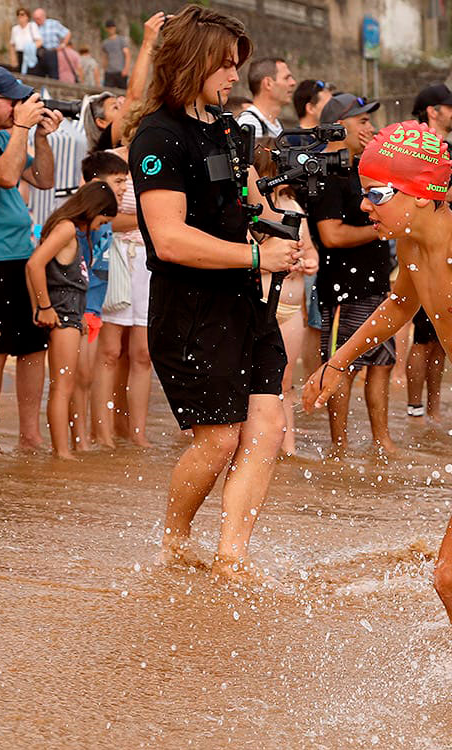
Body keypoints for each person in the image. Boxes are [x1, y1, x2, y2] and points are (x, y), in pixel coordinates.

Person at [128, 4, 303, 582]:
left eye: (236, 66)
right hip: (188, 308)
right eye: (225, 66)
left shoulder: (228, 129)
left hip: (242, 299)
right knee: (218, 440)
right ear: (192, 61)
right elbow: (170, 238)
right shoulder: (158, 134)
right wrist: (258, 254)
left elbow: (241, 206)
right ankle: (174, 544)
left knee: (268, 427)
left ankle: (232, 555)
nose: (234, 77)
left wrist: (270, 220)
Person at [303, 119, 452, 663]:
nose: (365, 206)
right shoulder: (410, 246)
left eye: (379, 194)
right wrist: (339, 360)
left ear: (426, 194)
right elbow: (401, 304)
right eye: (364, 193)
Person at [0, 66, 62, 454]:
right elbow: (6, 174)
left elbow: (43, 179)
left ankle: (30, 436)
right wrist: (22, 128)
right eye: (11, 100)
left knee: (33, 345)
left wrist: (41, 138)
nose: (18, 106)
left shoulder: (5, 134)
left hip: (20, 252)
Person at [310, 92, 395, 454]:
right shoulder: (327, 172)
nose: (370, 127)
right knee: (342, 366)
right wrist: (379, 230)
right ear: (338, 125)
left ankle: (382, 442)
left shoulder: (362, 169)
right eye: (362, 121)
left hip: (374, 281)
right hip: (343, 287)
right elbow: (331, 235)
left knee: (382, 363)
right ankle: (339, 447)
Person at [25, 182, 118, 459]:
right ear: (93, 210)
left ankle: (64, 449)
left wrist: (39, 308)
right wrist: (43, 308)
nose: (101, 227)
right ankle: (62, 452)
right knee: (62, 387)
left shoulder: (71, 230)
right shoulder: (66, 228)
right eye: (102, 220)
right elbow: (33, 264)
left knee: (65, 384)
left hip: (70, 313)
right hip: (63, 314)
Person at [406, 82, 452, 422]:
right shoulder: (420, 147)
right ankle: (415, 408)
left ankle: (432, 410)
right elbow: (413, 199)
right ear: (433, 111)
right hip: (427, 254)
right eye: (450, 107)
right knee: (421, 336)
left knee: (439, 337)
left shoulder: (440, 146)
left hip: (447, 254)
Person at [253, 138, 318, 455]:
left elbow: (310, 251)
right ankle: (260, 444)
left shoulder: (293, 206)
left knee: (287, 379)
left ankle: (288, 447)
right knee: (257, 379)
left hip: (292, 306)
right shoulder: (251, 211)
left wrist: (309, 261)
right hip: (262, 302)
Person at [90, 141, 153, 449]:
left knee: (143, 353)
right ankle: (102, 433)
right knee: (110, 350)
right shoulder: (112, 163)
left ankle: (138, 433)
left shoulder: (166, 158)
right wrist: (154, 218)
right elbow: (97, 214)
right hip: (115, 257)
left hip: (150, 262)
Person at [70, 151, 129, 451]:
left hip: (94, 309)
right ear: (96, 182)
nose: (123, 188)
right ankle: (78, 441)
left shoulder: (104, 218)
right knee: (77, 376)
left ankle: (90, 439)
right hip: (78, 309)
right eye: (118, 181)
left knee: (87, 375)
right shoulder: (79, 220)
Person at [293, 79, 335, 380]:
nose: (331, 110)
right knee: (311, 322)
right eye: (326, 103)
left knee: (319, 322)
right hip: (306, 242)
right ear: (310, 107)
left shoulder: (327, 143)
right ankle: (308, 384)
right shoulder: (293, 143)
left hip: (320, 247)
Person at [83, 12, 165, 152]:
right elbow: (134, 96)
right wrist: (147, 43)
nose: (122, 102)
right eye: (115, 107)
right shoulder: (105, 147)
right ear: (102, 123)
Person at [236, 57, 296, 137]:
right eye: (286, 78)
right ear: (268, 83)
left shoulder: (276, 124)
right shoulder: (250, 123)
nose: (293, 82)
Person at [32, 8, 71, 80]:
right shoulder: (33, 26)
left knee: (53, 76)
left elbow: (67, 33)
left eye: (38, 18)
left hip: (52, 52)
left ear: (44, 16)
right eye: (35, 19)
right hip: (38, 53)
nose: (36, 21)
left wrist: (63, 44)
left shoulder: (53, 24)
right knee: (38, 77)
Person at [9, 7, 42, 73]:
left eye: (22, 14)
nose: (20, 16)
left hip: (30, 54)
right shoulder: (15, 29)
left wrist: (30, 48)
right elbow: (12, 45)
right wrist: (13, 58)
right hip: (20, 54)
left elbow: (39, 41)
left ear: (27, 16)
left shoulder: (32, 26)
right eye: (18, 14)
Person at [102, 19, 130, 90]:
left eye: (112, 27)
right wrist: (104, 69)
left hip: (120, 71)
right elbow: (105, 57)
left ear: (115, 28)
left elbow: (127, 54)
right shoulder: (105, 43)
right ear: (106, 29)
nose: (111, 29)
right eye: (109, 28)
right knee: (107, 93)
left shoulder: (121, 40)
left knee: (122, 94)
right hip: (109, 72)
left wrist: (126, 69)